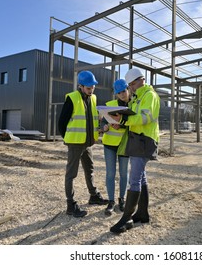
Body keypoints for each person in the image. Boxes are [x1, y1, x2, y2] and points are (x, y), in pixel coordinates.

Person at [109, 68, 160, 233]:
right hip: (137, 139)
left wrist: (124, 119)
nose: (131, 88)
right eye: (129, 85)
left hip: (145, 140)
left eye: (132, 84)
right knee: (141, 177)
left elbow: (145, 118)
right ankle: (142, 213)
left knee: (134, 179)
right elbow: (131, 117)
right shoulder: (138, 97)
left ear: (141, 80)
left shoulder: (149, 96)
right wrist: (120, 121)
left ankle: (126, 218)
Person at [58, 70, 108, 218]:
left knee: (90, 169)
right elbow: (62, 123)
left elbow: (92, 120)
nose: (91, 89)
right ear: (80, 86)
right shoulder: (72, 99)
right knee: (71, 174)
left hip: (88, 142)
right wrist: (68, 139)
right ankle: (70, 205)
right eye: (88, 87)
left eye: (93, 87)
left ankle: (93, 196)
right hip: (75, 143)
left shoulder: (93, 98)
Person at [100, 79, 131, 216]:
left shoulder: (134, 105)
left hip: (125, 144)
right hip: (109, 144)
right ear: (116, 94)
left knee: (124, 173)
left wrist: (122, 125)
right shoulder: (110, 105)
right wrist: (105, 128)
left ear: (128, 89)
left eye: (123, 91)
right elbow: (102, 124)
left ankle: (122, 200)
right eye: (119, 93)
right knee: (110, 174)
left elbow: (136, 123)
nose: (122, 95)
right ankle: (111, 201)